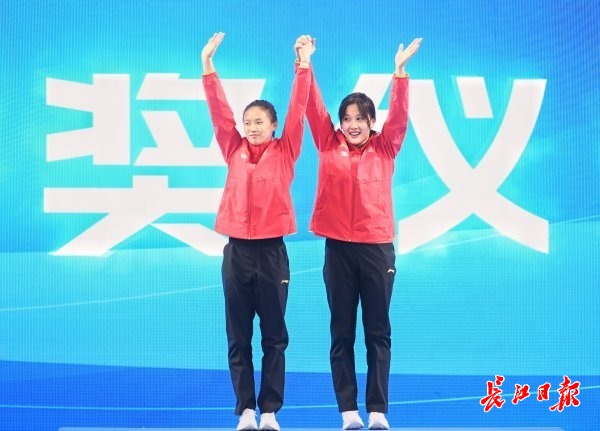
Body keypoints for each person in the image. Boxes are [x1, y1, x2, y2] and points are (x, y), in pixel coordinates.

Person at [296, 35, 422, 430]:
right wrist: (304, 64)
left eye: (360, 119)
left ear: (371, 122)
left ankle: (378, 410)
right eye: (347, 118)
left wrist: (399, 74)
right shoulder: (327, 142)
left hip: (377, 249)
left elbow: (399, 116)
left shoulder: (386, 147)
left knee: (378, 332)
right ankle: (348, 412)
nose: (352, 125)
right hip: (338, 250)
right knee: (342, 332)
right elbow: (312, 107)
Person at [201, 32, 313, 431]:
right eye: (247, 122)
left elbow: (298, 110)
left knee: (274, 337)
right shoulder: (233, 149)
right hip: (236, 253)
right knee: (238, 336)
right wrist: (208, 66)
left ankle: (269, 412)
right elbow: (219, 113)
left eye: (259, 122)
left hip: (271, 253)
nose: (251, 127)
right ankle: (246, 409)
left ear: (274, 126)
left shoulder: (286, 151)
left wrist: (303, 65)